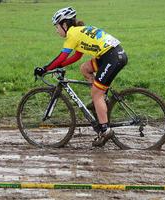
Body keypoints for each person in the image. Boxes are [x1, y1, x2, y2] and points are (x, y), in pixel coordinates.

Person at [34, 7, 128, 147]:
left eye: (57, 26)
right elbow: (77, 56)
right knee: (85, 68)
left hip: (112, 57)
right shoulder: (78, 31)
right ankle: (102, 101)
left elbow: (62, 56)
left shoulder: (72, 34)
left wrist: (45, 68)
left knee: (96, 93)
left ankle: (105, 129)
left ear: (64, 25)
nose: (56, 30)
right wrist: (59, 66)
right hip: (111, 54)